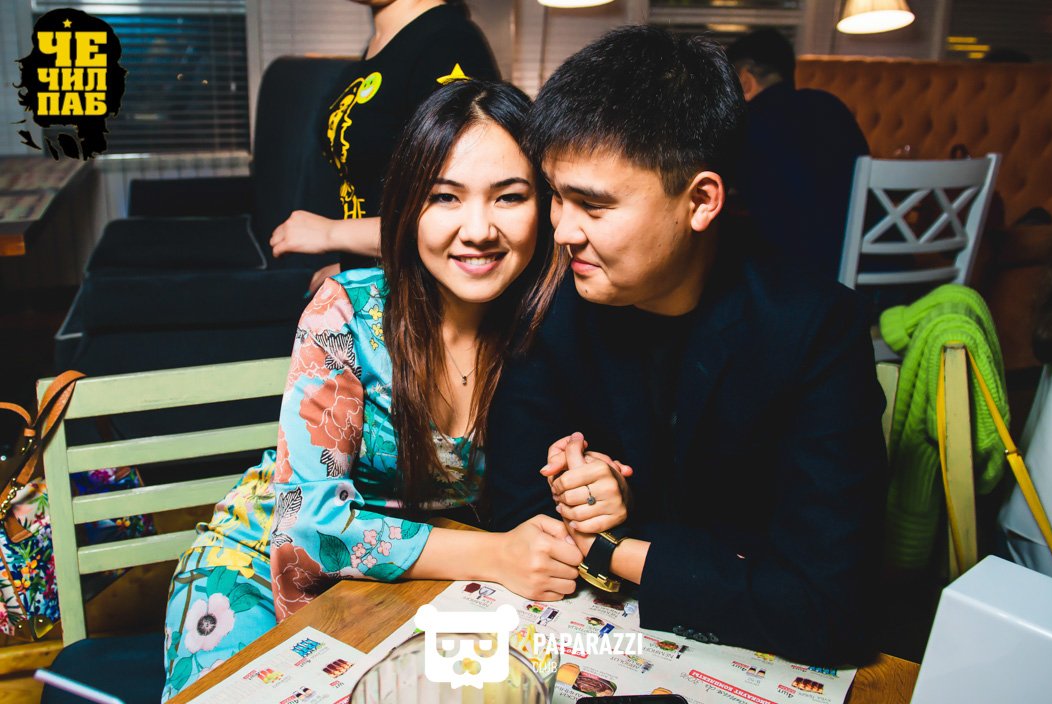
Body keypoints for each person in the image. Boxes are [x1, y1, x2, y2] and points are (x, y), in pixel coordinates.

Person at [161, 80, 628, 700]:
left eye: (509, 197)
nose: (478, 229)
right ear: (409, 207)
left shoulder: (558, 327)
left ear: (546, 207)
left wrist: (597, 487)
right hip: (257, 566)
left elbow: (568, 479)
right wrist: (496, 556)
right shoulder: (345, 314)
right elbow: (311, 526)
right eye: (445, 197)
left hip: (428, 589)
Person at [485, 26, 887, 666]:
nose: (562, 231)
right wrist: (591, 504)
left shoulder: (814, 329)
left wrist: (616, 544)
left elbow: (832, 607)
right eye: (556, 196)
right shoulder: (553, 307)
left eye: (593, 205)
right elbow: (515, 516)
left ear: (700, 201)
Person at [269, 0, 500, 291]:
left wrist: (331, 233)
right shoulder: (387, 42)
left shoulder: (448, 43)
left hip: (426, 296)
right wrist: (354, 266)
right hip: (389, 276)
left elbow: (460, 213)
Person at [725, 28, 869, 281]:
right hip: (871, 268)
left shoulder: (746, 124)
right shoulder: (831, 106)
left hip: (804, 280)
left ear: (745, 80)